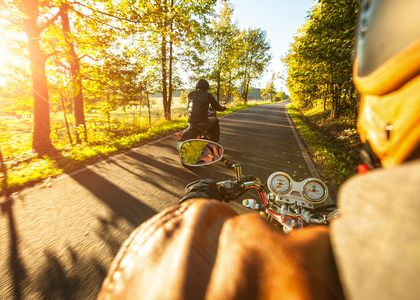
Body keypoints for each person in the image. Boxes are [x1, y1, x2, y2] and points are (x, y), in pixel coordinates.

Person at [98, 1, 420, 299]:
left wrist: (194, 204)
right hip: (202, 124)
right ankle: (214, 144)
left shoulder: (192, 95)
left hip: (189, 123)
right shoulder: (207, 96)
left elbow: (172, 265)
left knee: (208, 124)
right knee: (215, 122)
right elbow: (216, 108)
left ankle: (210, 147)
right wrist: (219, 107)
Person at [187, 79, 226, 143]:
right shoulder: (208, 95)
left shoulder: (190, 94)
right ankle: (215, 141)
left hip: (190, 121)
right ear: (206, 87)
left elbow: (188, 106)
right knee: (215, 120)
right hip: (202, 122)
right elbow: (216, 106)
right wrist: (223, 108)